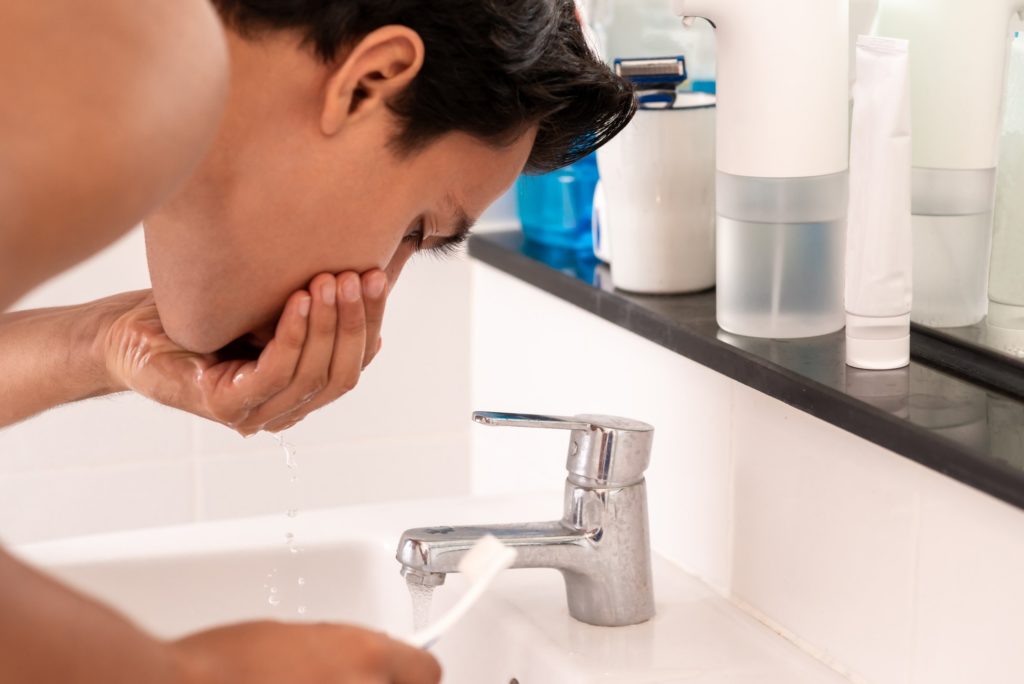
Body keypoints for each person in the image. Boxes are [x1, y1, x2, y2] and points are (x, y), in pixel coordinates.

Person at [0, 0, 636, 681]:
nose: (377, 289)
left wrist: (108, 345)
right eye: (417, 229)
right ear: (369, 83)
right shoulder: (144, 47)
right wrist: (191, 672)